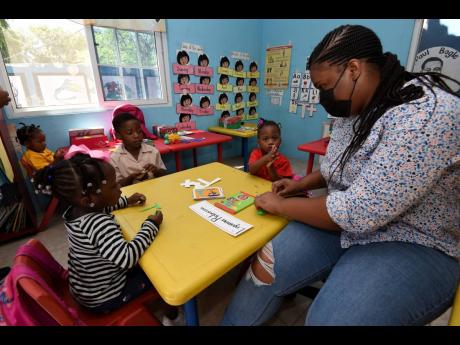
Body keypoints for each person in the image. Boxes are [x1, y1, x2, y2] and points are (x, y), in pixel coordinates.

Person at [221, 24, 460, 326]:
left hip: (413, 241)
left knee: (329, 319)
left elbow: (357, 212)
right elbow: (336, 167)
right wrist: (297, 185)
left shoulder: (426, 116)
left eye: (323, 87)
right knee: (265, 265)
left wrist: (279, 204)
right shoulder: (356, 106)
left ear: (354, 69)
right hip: (344, 224)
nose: (322, 98)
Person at [31, 152, 182, 324]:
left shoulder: (75, 212)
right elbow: (127, 258)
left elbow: (102, 205)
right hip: (105, 297)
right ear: (88, 199)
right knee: (161, 277)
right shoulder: (98, 224)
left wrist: (127, 201)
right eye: (113, 186)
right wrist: (151, 225)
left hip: (85, 289)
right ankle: (173, 318)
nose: (119, 188)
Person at [110, 113, 167, 187]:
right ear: (118, 135)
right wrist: (131, 178)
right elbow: (117, 185)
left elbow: (164, 174)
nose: (136, 136)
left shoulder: (152, 151)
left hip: (154, 189)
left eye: (139, 131)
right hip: (131, 195)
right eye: (129, 133)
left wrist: (156, 170)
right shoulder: (115, 158)